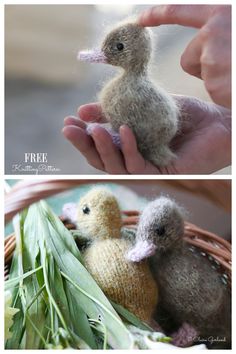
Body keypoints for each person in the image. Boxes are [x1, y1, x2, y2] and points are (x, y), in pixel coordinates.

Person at [63, 5, 231, 174]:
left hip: (154, 136)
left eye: (119, 47)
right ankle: (125, 139)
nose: (108, 52)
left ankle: (128, 140)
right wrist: (227, 124)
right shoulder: (129, 88)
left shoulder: (130, 90)